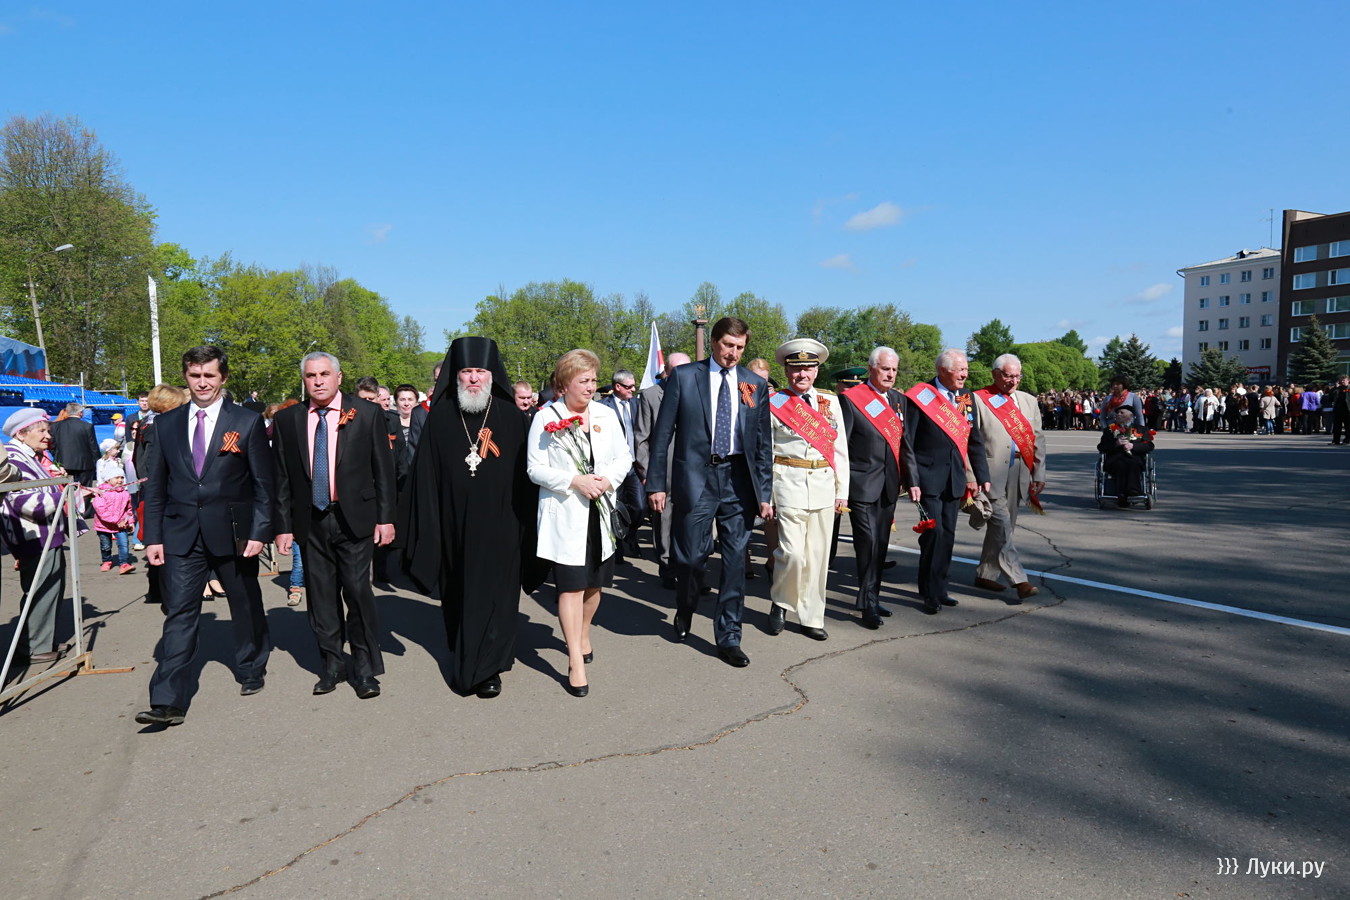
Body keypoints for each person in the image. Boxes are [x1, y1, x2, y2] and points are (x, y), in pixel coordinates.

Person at [135, 346, 275, 727]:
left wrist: (260, 531)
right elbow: (155, 486)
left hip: (234, 533)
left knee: (245, 605)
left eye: (209, 375)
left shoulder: (246, 421)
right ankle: (167, 700)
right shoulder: (165, 424)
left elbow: (264, 485)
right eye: (195, 376)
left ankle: (251, 666)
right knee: (179, 612)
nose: (202, 383)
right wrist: (153, 537)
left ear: (222, 377)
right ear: (186, 377)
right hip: (181, 533)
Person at [402, 337, 537, 699]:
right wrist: (428, 525)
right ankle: (463, 650)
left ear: (492, 375)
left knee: (498, 595)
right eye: (466, 371)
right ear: (456, 375)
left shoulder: (511, 416)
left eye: (480, 371)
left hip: (503, 525)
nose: (474, 378)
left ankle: (489, 668)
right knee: (458, 593)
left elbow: (528, 477)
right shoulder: (440, 417)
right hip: (454, 527)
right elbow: (425, 477)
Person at [647, 316, 773, 667]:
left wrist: (764, 493)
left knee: (734, 562)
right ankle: (686, 605)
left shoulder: (753, 384)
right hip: (697, 479)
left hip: (738, 481)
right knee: (690, 558)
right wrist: (656, 483)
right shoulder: (685, 377)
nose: (734, 353)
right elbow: (662, 434)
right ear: (715, 341)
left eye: (740, 347)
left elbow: (762, 444)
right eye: (728, 345)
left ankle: (729, 636)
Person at [274, 353, 397, 699]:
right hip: (310, 520)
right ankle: (331, 665)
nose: (318, 381)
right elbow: (281, 478)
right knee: (321, 596)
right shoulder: (288, 420)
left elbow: (383, 470)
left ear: (339, 377)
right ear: (304, 379)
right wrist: (282, 526)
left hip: (354, 518)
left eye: (324, 374)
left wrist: (386, 518)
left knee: (358, 593)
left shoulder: (367, 413)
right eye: (311, 375)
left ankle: (364, 667)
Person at [527, 350, 632, 697]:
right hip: (566, 513)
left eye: (593, 380)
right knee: (570, 587)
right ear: (564, 383)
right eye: (583, 381)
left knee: (594, 586)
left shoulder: (605, 414)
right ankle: (574, 659)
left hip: (600, 513)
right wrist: (574, 481)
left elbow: (623, 456)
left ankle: (584, 631)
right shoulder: (546, 417)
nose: (590, 387)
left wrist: (606, 481)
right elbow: (534, 468)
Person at [765, 339, 848, 642]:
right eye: (796, 368)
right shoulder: (774, 403)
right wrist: (767, 495)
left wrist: (842, 490)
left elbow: (840, 448)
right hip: (788, 482)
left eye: (808, 368)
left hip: (823, 483)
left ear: (816, 370)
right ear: (787, 371)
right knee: (792, 553)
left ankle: (811, 616)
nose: (802, 374)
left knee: (817, 556)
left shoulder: (830, 402)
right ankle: (781, 601)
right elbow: (766, 451)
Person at [901, 349, 991, 615]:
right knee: (934, 534)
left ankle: (940, 588)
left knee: (948, 535)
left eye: (966, 370)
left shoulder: (965, 397)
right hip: (927, 478)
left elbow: (974, 438)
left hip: (955, 478)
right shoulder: (920, 396)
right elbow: (908, 441)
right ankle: (929, 592)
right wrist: (911, 478)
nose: (965, 375)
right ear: (942, 371)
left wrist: (982, 475)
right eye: (960, 370)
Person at [971, 354, 1047, 604]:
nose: (1013, 381)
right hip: (990, 472)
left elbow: (1038, 438)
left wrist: (1038, 472)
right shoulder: (978, 399)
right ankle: (1019, 580)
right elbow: (970, 440)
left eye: (1017, 376)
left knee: (1005, 526)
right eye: (1008, 375)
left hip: (1019, 470)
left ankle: (986, 574)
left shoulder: (1029, 401)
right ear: (995, 374)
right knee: (1002, 524)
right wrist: (972, 475)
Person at [838, 347, 905, 628]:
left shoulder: (899, 400)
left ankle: (872, 598)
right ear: (871, 369)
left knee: (881, 547)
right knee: (868, 544)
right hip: (862, 484)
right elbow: (841, 446)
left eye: (894, 370)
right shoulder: (851, 399)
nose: (890, 374)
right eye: (885, 369)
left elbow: (905, 444)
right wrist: (841, 487)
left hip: (889, 485)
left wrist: (911, 480)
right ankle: (867, 604)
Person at [0, 409, 68, 665]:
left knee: (49, 589)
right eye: (42, 430)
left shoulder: (28, 455)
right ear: (21, 433)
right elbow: (26, 503)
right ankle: (32, 647)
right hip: (34, 535)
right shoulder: (15, 458)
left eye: (47, 430)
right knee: (40, 590)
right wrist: (63, 494)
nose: (47, 436)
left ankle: (42, 641)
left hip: (43, 534)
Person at [632, 352, 691, 590]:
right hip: (662, 472)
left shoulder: (698, 392)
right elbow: (641, 439)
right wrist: (647, 475)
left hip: (692, 471)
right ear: (666, 372)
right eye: (676, 371)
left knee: (691, 523)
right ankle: (668, 568)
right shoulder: (651, 395)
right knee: (664, 522)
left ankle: (690, 571)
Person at [598, 368, 644, 563]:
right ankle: (616, 545)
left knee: (639, 506)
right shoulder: (602, 407)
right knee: (614, 506)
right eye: (629, 386)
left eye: (634, 386)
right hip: (613, 465)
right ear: (617, 386)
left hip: (634, 465)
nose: (633, 389)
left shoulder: (638, 404)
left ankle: (630, 534)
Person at [1098, 407, 1155, 506]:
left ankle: (1133, 491)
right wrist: (1116, 444)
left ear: (1131, 415)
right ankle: (1121, 493)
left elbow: (1149, 446)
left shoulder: (1141, 429)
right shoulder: (1109, 430)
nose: (1118, 414)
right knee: (1120, 464)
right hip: (1115, 458)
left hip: (1134, 458)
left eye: (1122, 412)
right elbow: (1101, 447)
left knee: (1132, 463)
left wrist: (1133, 446)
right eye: (1117, 413)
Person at [49, 402, 99, 500]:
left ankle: (68, 507)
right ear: (80, 413)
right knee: (85, 491)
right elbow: (93, 446)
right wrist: (97, 461)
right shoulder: (87, 426)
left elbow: (52, 445)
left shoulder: (55, 426)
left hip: (63, 463)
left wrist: (57, 456)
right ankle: (84, 509)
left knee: (66, 491)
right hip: (84, 464)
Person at [91, 472, 136, 574]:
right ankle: (106, 561)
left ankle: (124, 564)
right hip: (103, 526)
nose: (120, 480)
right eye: (116, 477)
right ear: (108, 480)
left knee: (124, 544)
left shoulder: (125, 494)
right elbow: (101, 510)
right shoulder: (101, 493)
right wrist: (116, 521)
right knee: (106, 546)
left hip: (121, 525)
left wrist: (130, 521)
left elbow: (128, 510)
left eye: (122, 477)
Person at [1331, 375, 1350, 445]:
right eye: (1341, 380)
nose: (1342, 381)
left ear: (1348, 381)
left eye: (1344, 380)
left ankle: (1347, 440)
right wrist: (1335, 388)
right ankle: (1336, 440)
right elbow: (1331, 396)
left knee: (1348, 426)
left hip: (1347, 410)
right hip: (1338, 410)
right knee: (1336, 427)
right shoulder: (1338, 389)